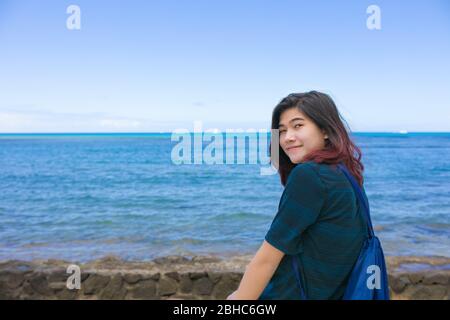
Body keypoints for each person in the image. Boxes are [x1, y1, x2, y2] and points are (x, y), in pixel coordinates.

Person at [227, 91, 368, 300]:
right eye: (282, 131)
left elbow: (267, 259)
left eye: (298, 126)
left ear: (325, 130)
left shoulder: (310, 175)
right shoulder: (345, 174)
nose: (287, 138)